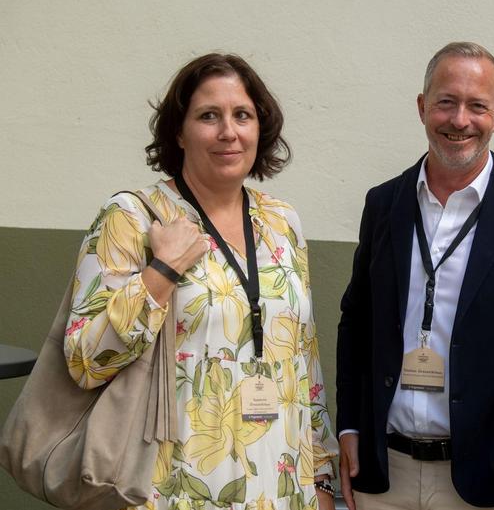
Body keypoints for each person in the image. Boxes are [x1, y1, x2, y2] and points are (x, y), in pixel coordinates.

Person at [63, 53, 339, 510]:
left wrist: (322, 476)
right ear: (179, 132)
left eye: (242, 115)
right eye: (209, 116)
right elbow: (84, 360)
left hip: (280, 486)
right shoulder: (132, 217)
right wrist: (162, 271)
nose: (228, 131)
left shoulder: (281, 222)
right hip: (169, 488)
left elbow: (304, 358)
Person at [335, 42, 494, 510]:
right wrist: (349, 427)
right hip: (384, 474)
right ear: (422, 107)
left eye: (477, 106)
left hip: (487, 481)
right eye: (446, 102)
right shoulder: (384, 204)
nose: (460, 120)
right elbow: (356, 322)